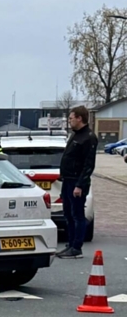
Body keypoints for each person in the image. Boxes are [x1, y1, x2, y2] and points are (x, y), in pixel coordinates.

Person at [56, 106, 98, 259]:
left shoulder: (88, 137)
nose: (70, 121)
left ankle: (77, 247)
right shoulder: (75, 135)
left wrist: (80, 184)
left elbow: (88, 164)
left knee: (77, 214)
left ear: (79, 118)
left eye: (71, 118)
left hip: (76, 181)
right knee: (68, 213)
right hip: (67, 180)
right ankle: (70, 244)